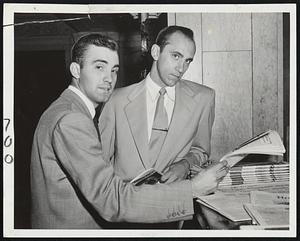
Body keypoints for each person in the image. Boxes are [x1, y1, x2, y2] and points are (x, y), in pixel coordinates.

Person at [30, 33, 228, 229]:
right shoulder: (72, 119)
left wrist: (185, 165)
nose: (109, 78)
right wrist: (192, 189)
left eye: (114, 70)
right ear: (76, 70)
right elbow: (110, 198)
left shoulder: (67, 110)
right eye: (99, 67)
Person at [100, 25, 215, 184]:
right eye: (176, 56)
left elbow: (201, 150)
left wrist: (185, 164)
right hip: (125, 202)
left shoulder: (203, 98)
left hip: (174, 202)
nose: (181, 68)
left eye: (187, 61)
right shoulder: (116, 100)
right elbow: (100, 162)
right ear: (155, 52)